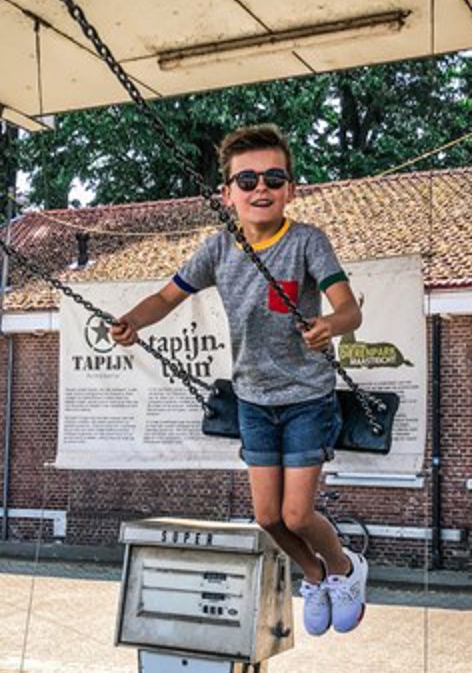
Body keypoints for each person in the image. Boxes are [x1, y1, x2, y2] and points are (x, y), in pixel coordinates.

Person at [111, 124, 367, 636]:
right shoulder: (218, 250)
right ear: (228, 194)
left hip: (305, 398)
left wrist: (329, 327)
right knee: (267, 518)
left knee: (297, 515)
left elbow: (349, 310)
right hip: (252, 399)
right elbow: (165, 298)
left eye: (274, 177)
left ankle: (345, 568)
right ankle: (313, 574)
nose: (260, 189)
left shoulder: (308, 242)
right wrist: (134, 319)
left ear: (290, 189)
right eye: (246, 180)